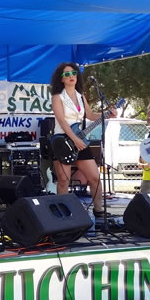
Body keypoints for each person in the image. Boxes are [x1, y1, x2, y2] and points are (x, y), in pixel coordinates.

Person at [50, 62, 115, 216]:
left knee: (94, 177)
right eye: (67, 74)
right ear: (61, 79)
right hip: (63, 140)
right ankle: (62, 213)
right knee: (64, 180)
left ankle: (98, 210)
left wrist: (107, 114)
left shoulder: (80, 97)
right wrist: (74, 139)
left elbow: (90, 115)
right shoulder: (57, 97)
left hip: (80, 138)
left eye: (73, 73)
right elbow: (62, 121)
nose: (71, 76)